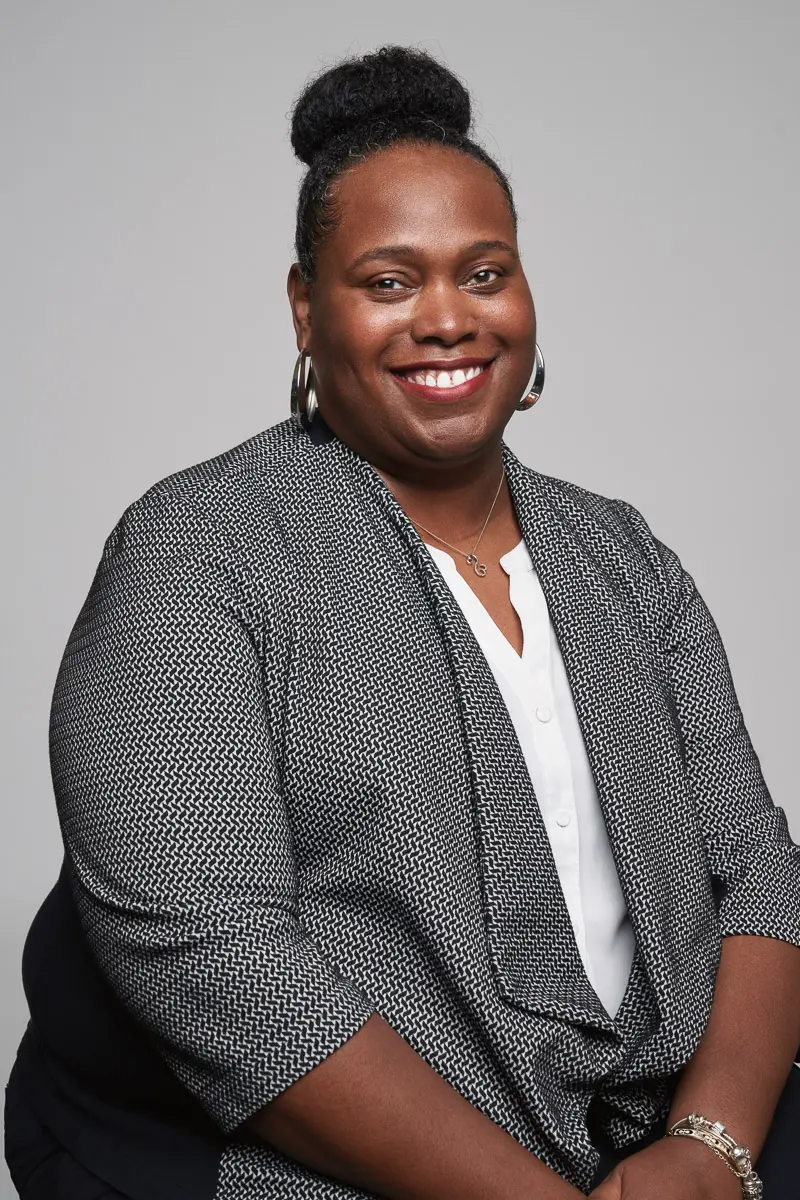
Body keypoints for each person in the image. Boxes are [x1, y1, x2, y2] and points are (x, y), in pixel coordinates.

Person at [4, 44, 800, 1200]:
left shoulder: (622, 556)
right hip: (331, 1163)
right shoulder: (197, 553)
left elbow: (756, 870)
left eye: (483, 273)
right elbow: (212, 959)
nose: (445, 318)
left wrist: (709, 1150)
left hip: (656, 1133)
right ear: (304, 308)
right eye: (387, 282)